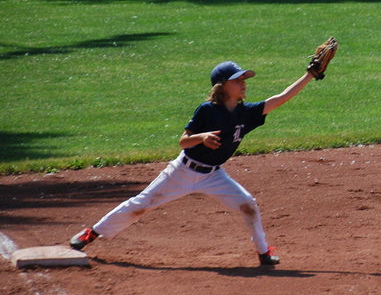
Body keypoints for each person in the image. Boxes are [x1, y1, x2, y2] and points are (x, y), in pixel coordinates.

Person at [69, 61, 319, 266]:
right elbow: (183, 142)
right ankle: (92, 233)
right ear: (222, 87)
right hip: (183, 171)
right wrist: (202, 137)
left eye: (244, 79)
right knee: (141, 205)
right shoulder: (207, 111)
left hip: (214, 176)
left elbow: (283, 97)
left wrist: (308, 75)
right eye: (238, 80)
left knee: (248, 205)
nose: (243, 83)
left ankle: (264, 253)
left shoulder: (247, 112)